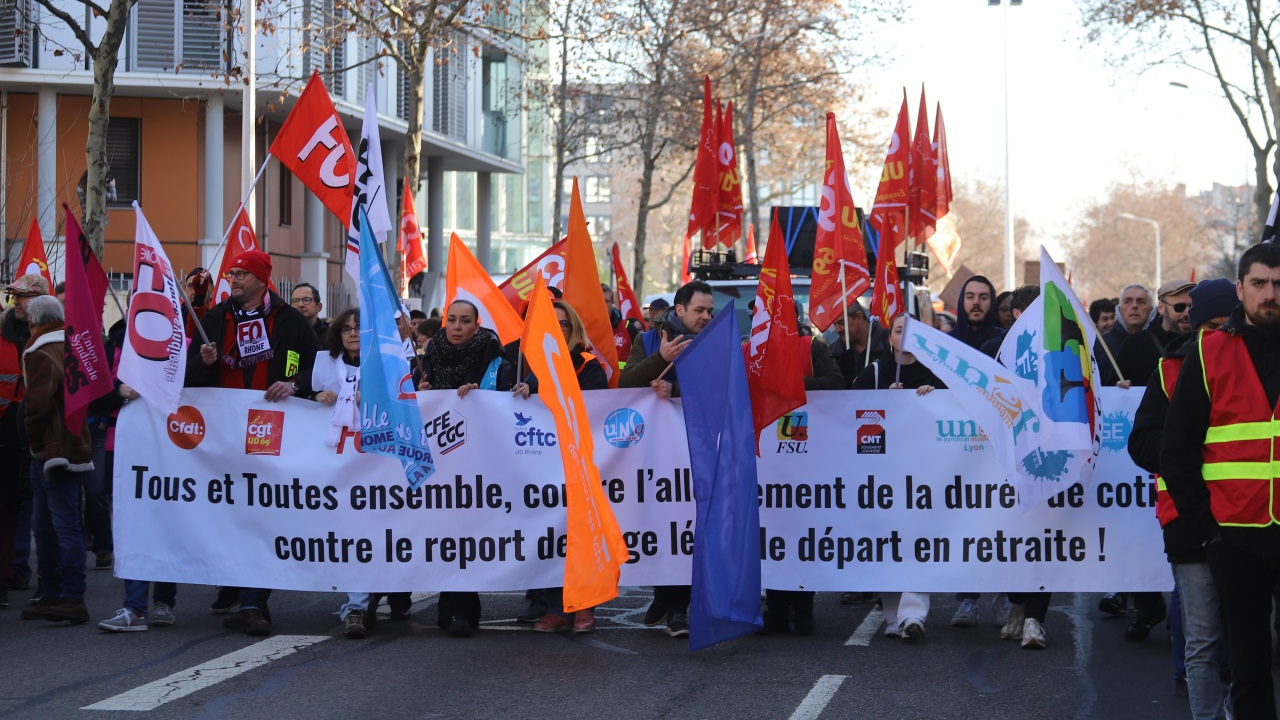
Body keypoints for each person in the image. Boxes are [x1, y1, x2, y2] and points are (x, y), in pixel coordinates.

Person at [1163, 242, 1280, 719]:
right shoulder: (1210, 353)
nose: (1270, 293)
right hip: (1235, 537)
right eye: (1260, 284)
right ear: (1240, 289)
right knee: (1249, 665)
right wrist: (1209, 532)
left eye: (1278, 283)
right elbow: (1177, 450)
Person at [187, 249, 318, 636]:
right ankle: (237, 588)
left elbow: (311, 363)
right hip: (223, 427)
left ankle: (253, 602)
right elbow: (189, 372)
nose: (234, 279)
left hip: (269, 426)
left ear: (262, 279)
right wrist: (206, 361)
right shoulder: (216, 317)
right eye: (232, 273)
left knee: (262, 509)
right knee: (231, 509)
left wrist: (293, 382)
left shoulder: (289, 320)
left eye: (242, 273)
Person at [1129, 277, 1236, 716]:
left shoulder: (1256, 368)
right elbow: (1142, 444)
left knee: (1250, 636)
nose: (1217, 335)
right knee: (1203, 637)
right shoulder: (1168, 370)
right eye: (1208, 325)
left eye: (1226, 324)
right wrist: (1183, 455)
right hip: (1187, 519)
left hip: (1247, 515)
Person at [621, 280, 715, 637]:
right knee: (661, 525)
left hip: (695, 449)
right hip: (652, 454)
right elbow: (624, 383)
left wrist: (677, 391)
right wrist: (661, 360)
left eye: (709, 311)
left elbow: (724, 389)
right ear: (679, 311)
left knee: (686, 526)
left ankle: (676, 609)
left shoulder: (716, 345)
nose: (706, 317)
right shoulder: (646, 341)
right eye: (699, 310)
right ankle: (665, 596)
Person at [416, 299, 516, 638]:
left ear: (477, 324)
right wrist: (421, 392)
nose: (457, 327)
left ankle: (463, 610)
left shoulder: (496, 359)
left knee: (467, 535)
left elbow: (507, 400)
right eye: (452, 320)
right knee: (444, 533)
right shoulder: (430, 354)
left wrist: (482, 396)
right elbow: (413, 394)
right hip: (439, 457)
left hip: (480, 459)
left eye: (465, 321)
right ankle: (452, 609)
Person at [853, 312, 942, 641]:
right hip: (883, 476)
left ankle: (914, 614)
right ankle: (893, 617)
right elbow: (849, 409)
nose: (905, 336)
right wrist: (882, 400)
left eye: (913, 331)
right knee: (887, 544)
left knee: (919, 540)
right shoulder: (873, 374)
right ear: (889, 337)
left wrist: (936, 398)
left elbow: (955, 410)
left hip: (923, 474)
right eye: (899, 330)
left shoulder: (937, 374)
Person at [526, 300, 609, 634]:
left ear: (573, 330)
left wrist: (538, 389)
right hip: (539, 465)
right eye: (551, 323)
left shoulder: (588, 366)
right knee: (548, 535)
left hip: (579, 464)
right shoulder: (527, 363)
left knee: (580, 535)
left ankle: (584, 606)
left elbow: (587, 402)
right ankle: (555, 607)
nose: (556, 329)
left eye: (562, 324)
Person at [19, 296, 92, 625]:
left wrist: (34, 444)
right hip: (73, 442)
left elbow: (35, 406)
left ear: (34, 321)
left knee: (56, 526)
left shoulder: (42, 351)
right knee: (54, 525)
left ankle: (69, 597)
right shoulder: (72, 345)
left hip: (52, 448)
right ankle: (55, 594)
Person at [0, 274, 45, 607]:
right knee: (9, 506)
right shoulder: (3, 333)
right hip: (5, 430)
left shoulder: (48, 337)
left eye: (24, 297)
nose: (17, 301)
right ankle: (10, 572)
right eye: (15, 296)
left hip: (37, 429)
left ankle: (30, 574)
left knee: (30, 505)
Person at [1117, 279, 1194, 389]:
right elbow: (1113, 384)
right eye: (1179, 307)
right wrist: (1121, 386)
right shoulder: (1135, 344)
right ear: (1162, 308)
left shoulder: (1203, 342)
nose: (1187, 313)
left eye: (1192, 307)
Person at [1099, 284, 1154, 386]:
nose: (1134, 306)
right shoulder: (1101, 344)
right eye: (1127, 301)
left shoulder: (1163, 343)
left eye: (1141, 301)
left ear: (1151, 309)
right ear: (1119, 309)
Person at [828, 301, 891, 386]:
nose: (837, 330)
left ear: (859, 317)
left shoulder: (891, 344)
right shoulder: (833, 354)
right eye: (835, 324)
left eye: (842, 323)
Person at [948, 275, 1004, 350]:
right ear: (962, 301)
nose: (976, 302)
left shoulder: (1005, 341)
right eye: (970, 297)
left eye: (983, 298)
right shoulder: (947, 341)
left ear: (992, 302)